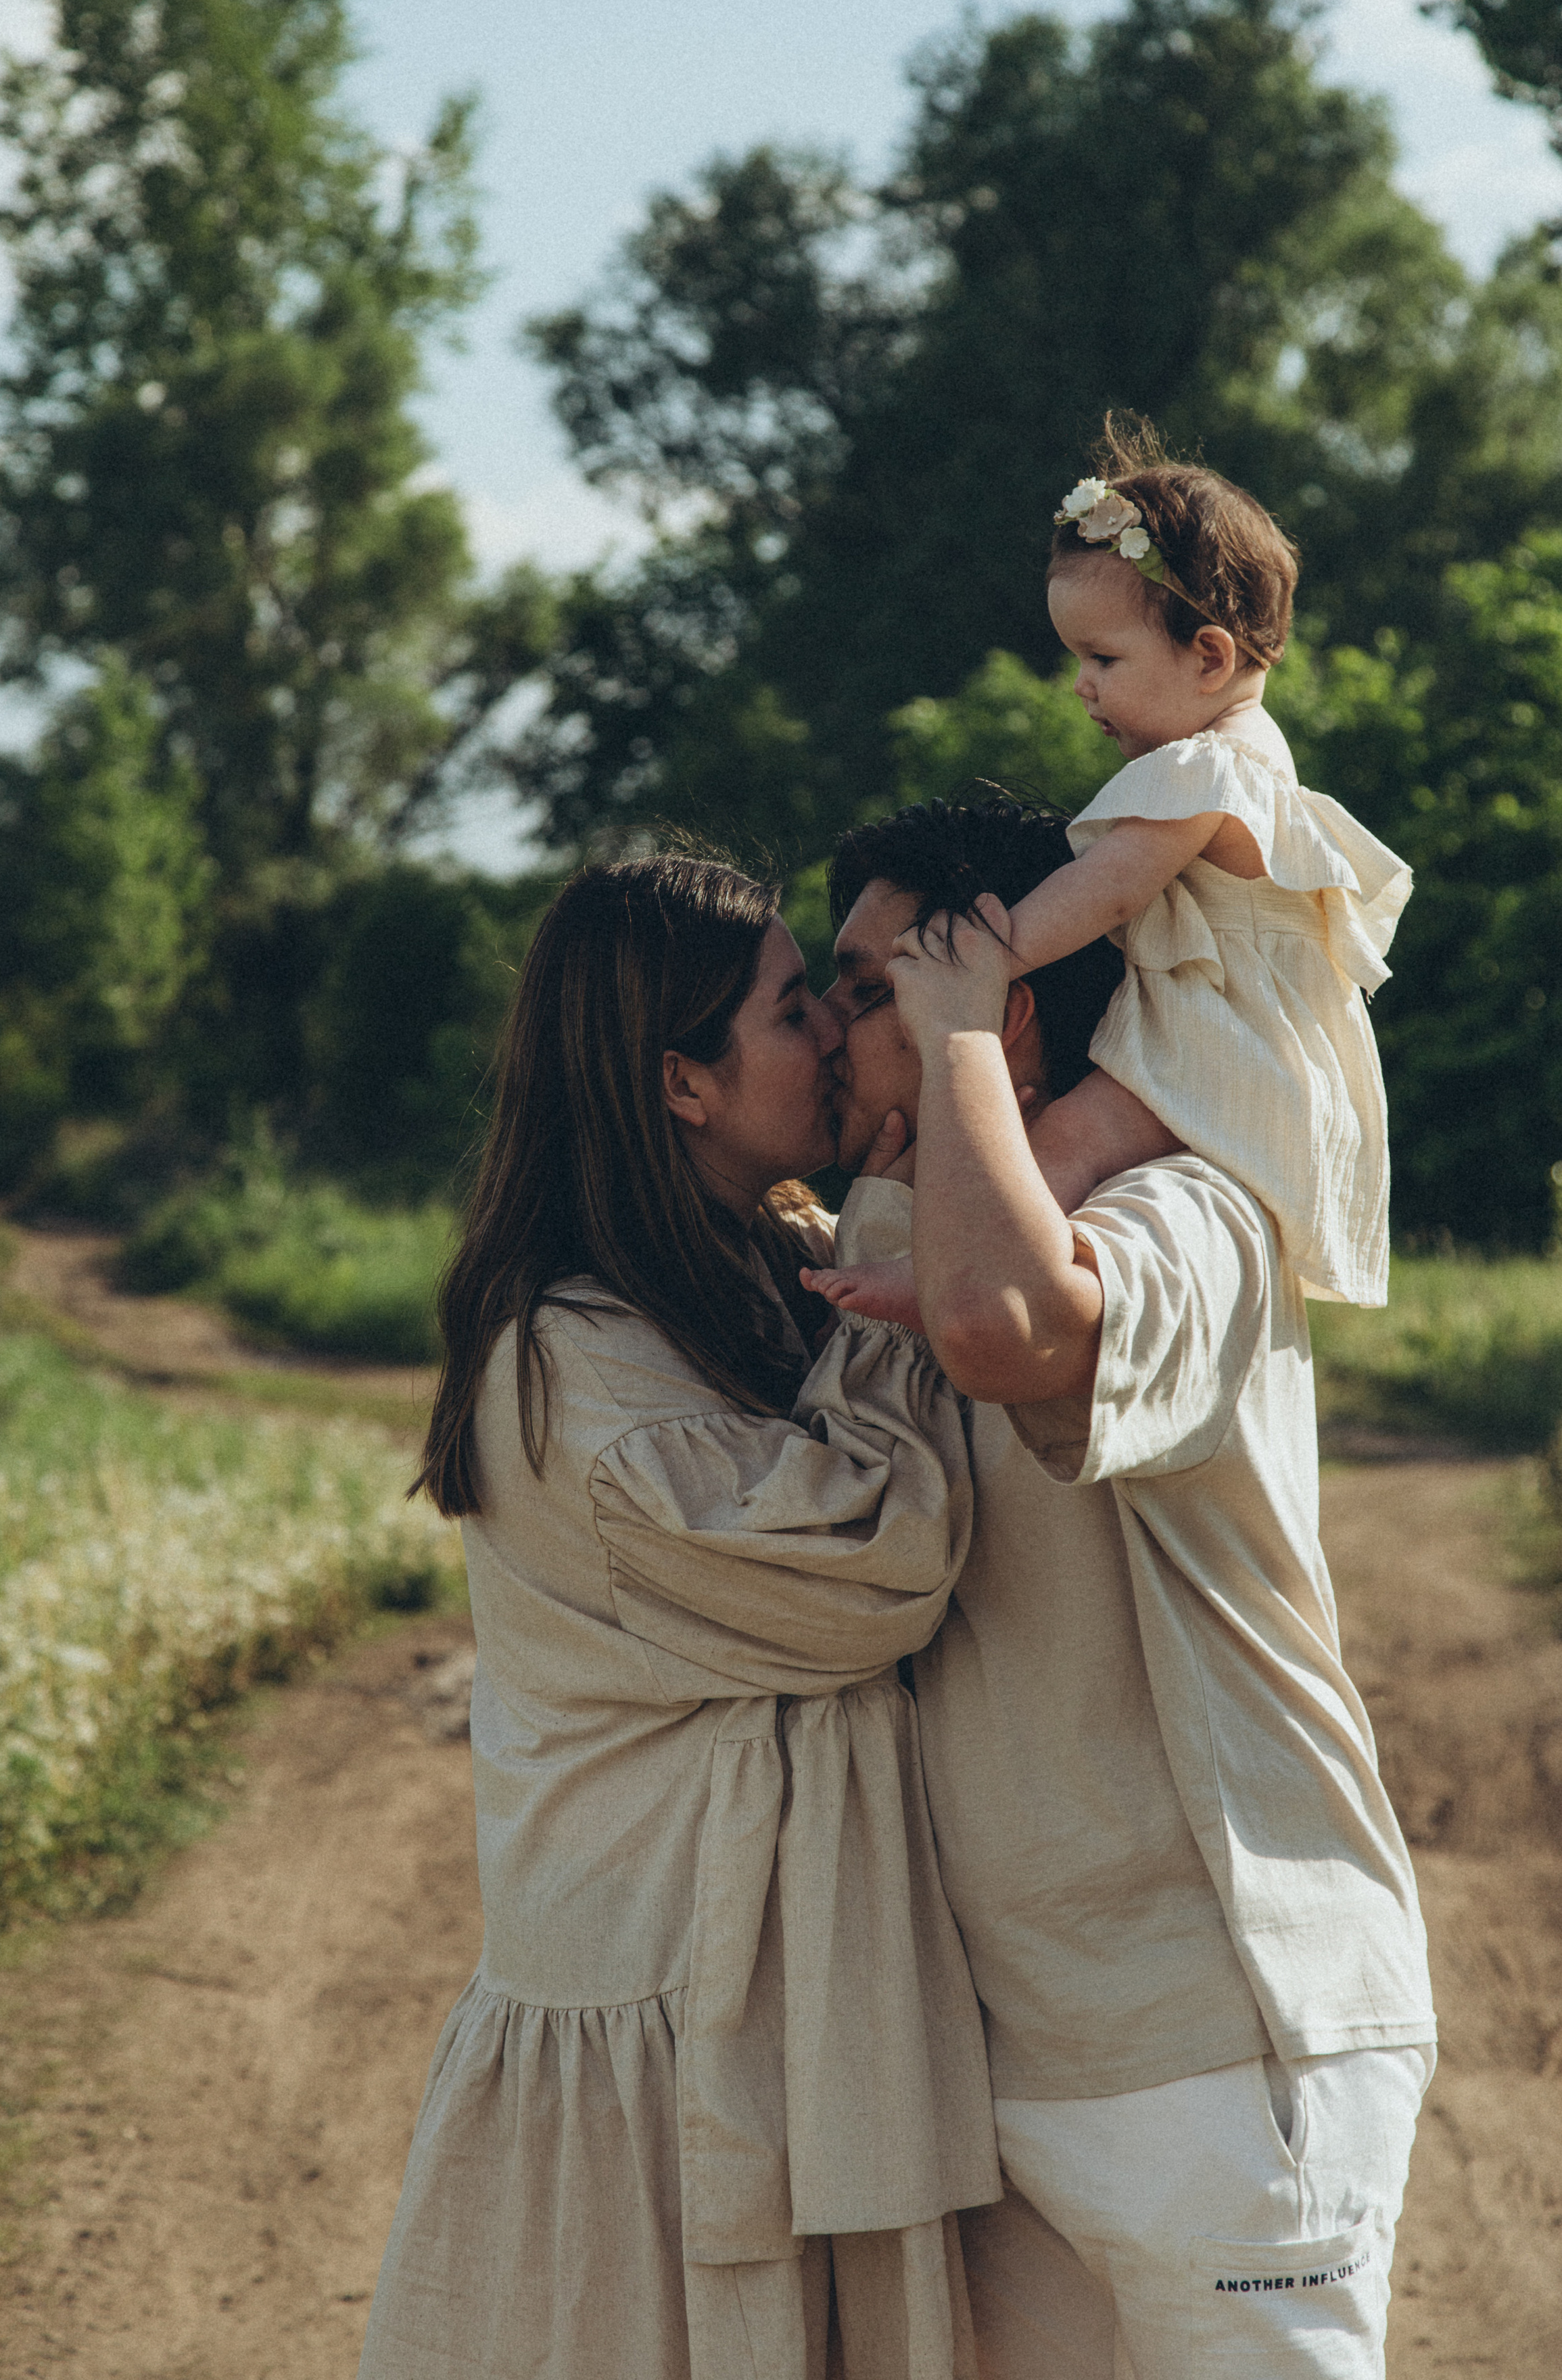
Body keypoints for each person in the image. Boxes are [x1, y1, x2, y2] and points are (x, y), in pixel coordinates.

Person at [809, 791, 1434, 2380]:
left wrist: (951, 1041)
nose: (826, 1026)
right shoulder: (886, 1228)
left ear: (1001, 1011)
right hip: (1007, 2064)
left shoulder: (1193, 1210)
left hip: (1222, 2040)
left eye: (871, 988)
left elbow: (1004, 1327)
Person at [355, 855, 1000, 2380]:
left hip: (786, 2022)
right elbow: (876, 1567)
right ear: (680, 1084)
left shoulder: (769, 1258)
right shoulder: (572, 1365)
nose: (834, 1032)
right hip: (667, 2051)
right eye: (791, 1011)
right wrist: (901, 1217)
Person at [827, 416, 1411, 1325]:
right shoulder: (1247, 761)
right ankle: (968, 1266)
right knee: (1077, 1153)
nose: (1082, 685)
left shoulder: (1207, 771)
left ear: (1209, 656)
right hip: (1240, 1042)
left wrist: (986, 956)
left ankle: (944, 1271)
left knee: (1064, 1142)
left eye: (1103, 658)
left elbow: (1104, 889)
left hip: (1225, 1047)